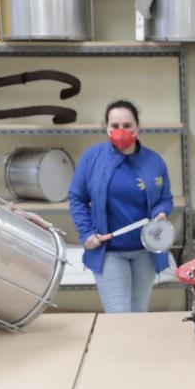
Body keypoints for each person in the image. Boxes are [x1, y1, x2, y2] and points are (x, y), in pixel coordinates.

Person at [68, 100, 173, 313]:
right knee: (119, 316)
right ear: (106, 127)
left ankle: (138, 348)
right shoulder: (92, 158)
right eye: (115, 126)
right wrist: (87, 233)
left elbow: (165, 198)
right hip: (109, 252)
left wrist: (160, 213)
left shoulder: (154, 161)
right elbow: (77, 198)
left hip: (146, 251)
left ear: (138, 127)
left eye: (127, 125)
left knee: (139, 311)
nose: (121, 131)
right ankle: (120, 348)